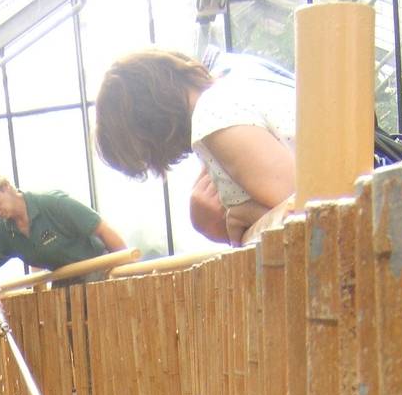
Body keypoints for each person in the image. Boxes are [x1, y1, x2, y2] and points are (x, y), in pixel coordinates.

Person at [94, 48, 295, 247]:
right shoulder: (236, 77)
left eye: (146, 155)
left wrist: (246, 214)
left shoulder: (214, 115)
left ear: (147, 128)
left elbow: (311, 212)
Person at [0, 169, 126, 276]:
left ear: (6, 186)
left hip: (101, 275)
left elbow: (103, 229)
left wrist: (129, 273)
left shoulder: (52, 203)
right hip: (67, 287)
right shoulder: (2, 231)